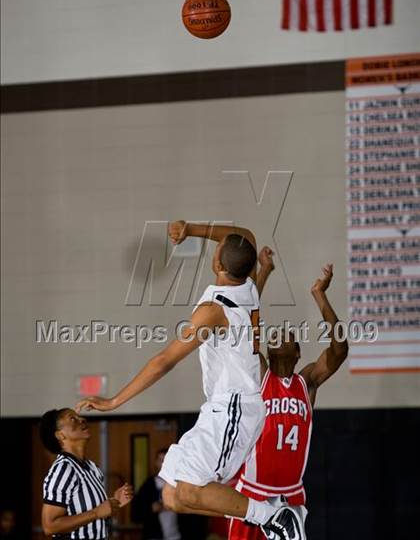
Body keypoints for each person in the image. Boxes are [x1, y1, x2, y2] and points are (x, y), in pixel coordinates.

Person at [76, 222, 299, 540]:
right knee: (172, 496)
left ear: (219, 264)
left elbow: (163, 362)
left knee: (191, 490)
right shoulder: (246, 285)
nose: (217, 246)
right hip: (223, 408)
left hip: (234, 409)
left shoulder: (214, 310)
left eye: (218, 248)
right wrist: (191, 229)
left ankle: (276, 515)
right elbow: (242, 235)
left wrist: (113, 401)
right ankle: (266, 511)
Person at [229, 263, 349, 540]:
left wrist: (320, 295)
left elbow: (339, 348)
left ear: (298, 352)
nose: (279, 333)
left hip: (291, 494)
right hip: (253, 493)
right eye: (275, 333)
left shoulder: (306, 382)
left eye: (288, 334)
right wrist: (264, 273)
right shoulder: (258, 375)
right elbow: (244, 323)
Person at [40, 408, 133, 538]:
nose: (82, 419)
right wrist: (96, 512)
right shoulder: (63, 469)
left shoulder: (92, 467)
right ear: (60, 435)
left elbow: (96, 514)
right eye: (72, 418)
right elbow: (50, 526)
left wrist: (114, 502)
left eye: (79, 417)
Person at [131, 448, 181, 540]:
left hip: (177, 535)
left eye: (167, 461)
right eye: (161, 460)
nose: (164, 464)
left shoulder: (181, 484)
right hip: (154, 536)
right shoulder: (148, 486)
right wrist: (151, 509)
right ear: (156, 462)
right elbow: (135, 514)